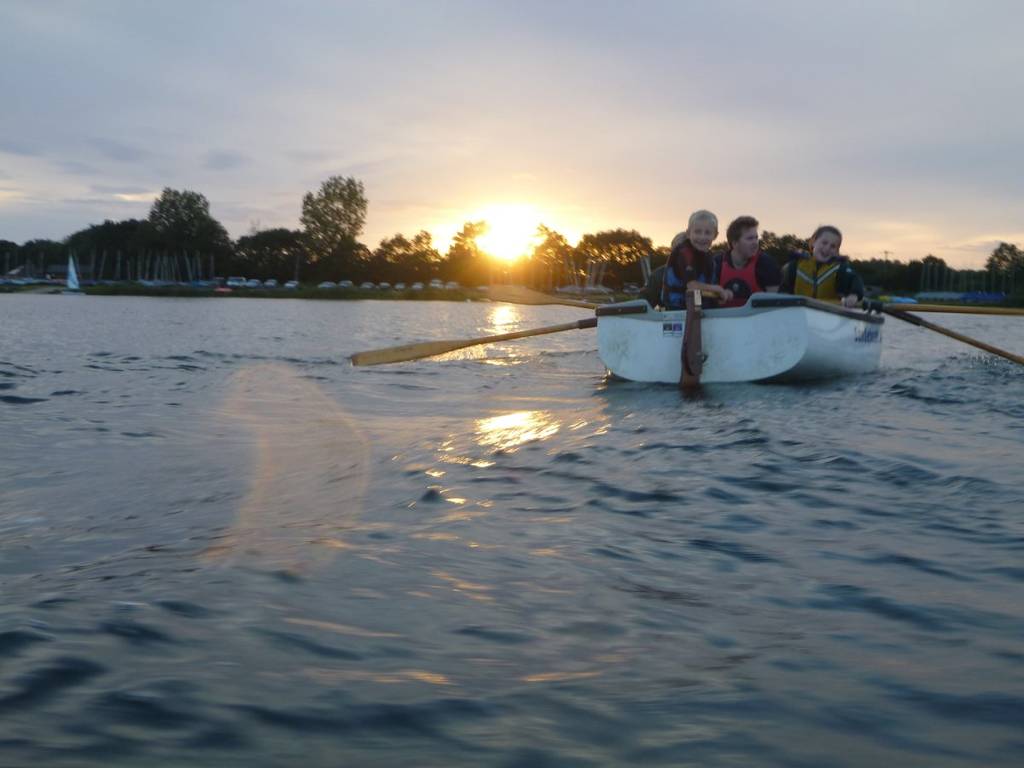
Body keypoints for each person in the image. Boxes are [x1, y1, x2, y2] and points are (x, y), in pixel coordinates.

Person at [658, 209, 731, 309]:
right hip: (677, 309)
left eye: (707, 233)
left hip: (697, 306)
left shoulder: (708, 256)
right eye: (697, 232)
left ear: (715, 235)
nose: (702, 237)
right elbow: (692, 286)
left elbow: (707, 287)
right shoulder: (684, 253)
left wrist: (721, 294)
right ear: (688, 233)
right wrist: (718, 289)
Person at [780, 225, 864, 308]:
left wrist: (854, 295)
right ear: (813, 242)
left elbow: (855, 280)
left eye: (833, 246)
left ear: (837, 251)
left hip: (828, 314)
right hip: (798, 313)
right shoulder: (794, 266)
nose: (827, 248)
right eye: (824, 243)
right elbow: (783, 291)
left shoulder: (841, 269)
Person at [711, 216, 782, 308]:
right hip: (723, 320)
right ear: (734, 243)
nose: (755, 242)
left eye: (756, 238)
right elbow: (700, 295)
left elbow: (775, 303)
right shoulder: (716, 263)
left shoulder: (767, 264)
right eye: (750, 238)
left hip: (759, 320)